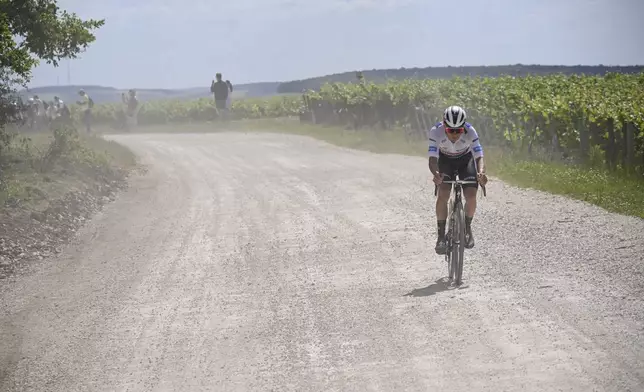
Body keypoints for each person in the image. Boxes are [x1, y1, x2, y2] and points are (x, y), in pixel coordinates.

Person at [428, 105, 488, 255]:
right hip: (445, 161)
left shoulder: (471, 131)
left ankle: (467, 228)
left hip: (465, 161)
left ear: (464, 127)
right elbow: (433, 159)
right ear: (444, 125)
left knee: (471, 196)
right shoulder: (436, 131)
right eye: (450, 130)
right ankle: (441, 236)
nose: (455, 134)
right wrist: (436, 173)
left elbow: (479, 156)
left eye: (459, 130)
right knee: (443, 194)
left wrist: (481, 173)